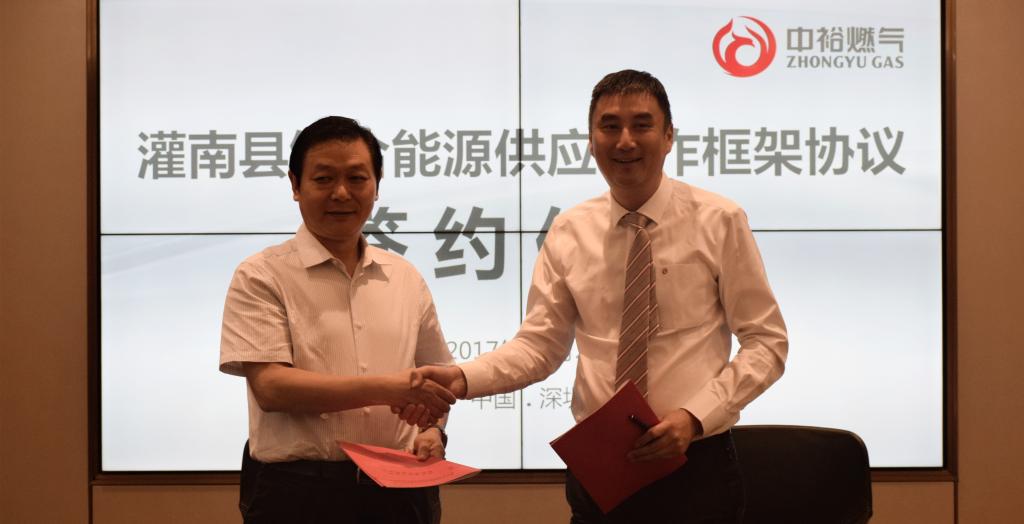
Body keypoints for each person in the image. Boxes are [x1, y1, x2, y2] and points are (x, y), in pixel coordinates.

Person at [409, 70, 788, 523]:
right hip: (601, 463)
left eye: (642, 125)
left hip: (697, 461)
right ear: (591, 141)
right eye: (610, 127)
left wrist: (695, 416)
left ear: (669, 136)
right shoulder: (570, 230)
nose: (625, 140)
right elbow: (539, 347)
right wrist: (461, 378)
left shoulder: (719, 219)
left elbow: (767, 343)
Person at [219, 116, 456, 524]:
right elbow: (272, 388)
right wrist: (389, 388)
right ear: (296, 185)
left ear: (377, 186)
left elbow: (435, 378)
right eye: (324, 178)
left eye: (357, 178)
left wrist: (432, 430)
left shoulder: (404, 277)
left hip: (401, 493)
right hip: (298, 494)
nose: (342, 193)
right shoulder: (261, 274)